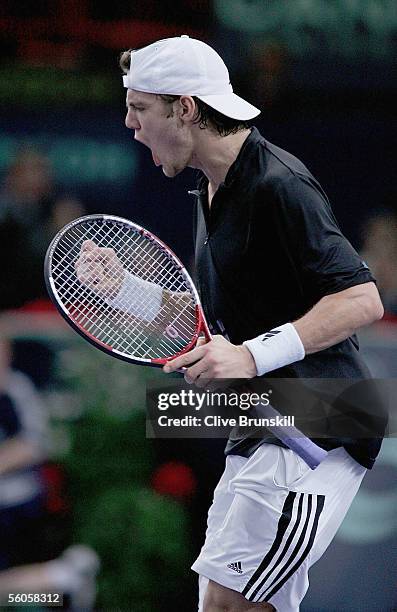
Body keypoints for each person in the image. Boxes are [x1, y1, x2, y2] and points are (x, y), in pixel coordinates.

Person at [76, 36, 384, 611]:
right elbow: (211, 329)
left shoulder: (278, 184)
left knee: (226, 604)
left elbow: (361, 300)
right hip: (262, 425)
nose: (129, 123)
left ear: (185, 109)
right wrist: (125, 290)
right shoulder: (212, 190)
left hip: (322, 420)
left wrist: (249, 357)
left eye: (140, 108)